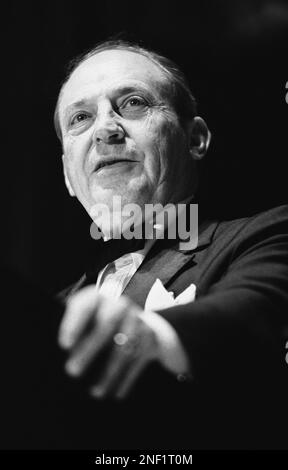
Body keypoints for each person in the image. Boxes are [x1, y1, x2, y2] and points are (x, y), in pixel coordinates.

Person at [53, 39, 288, 449]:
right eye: (80, 118)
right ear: (69, 177)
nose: (105, 129)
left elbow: (252, 310)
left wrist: (150, 337)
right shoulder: (50, 316)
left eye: (132, 103)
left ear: (195, 139)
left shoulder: (267, 235)